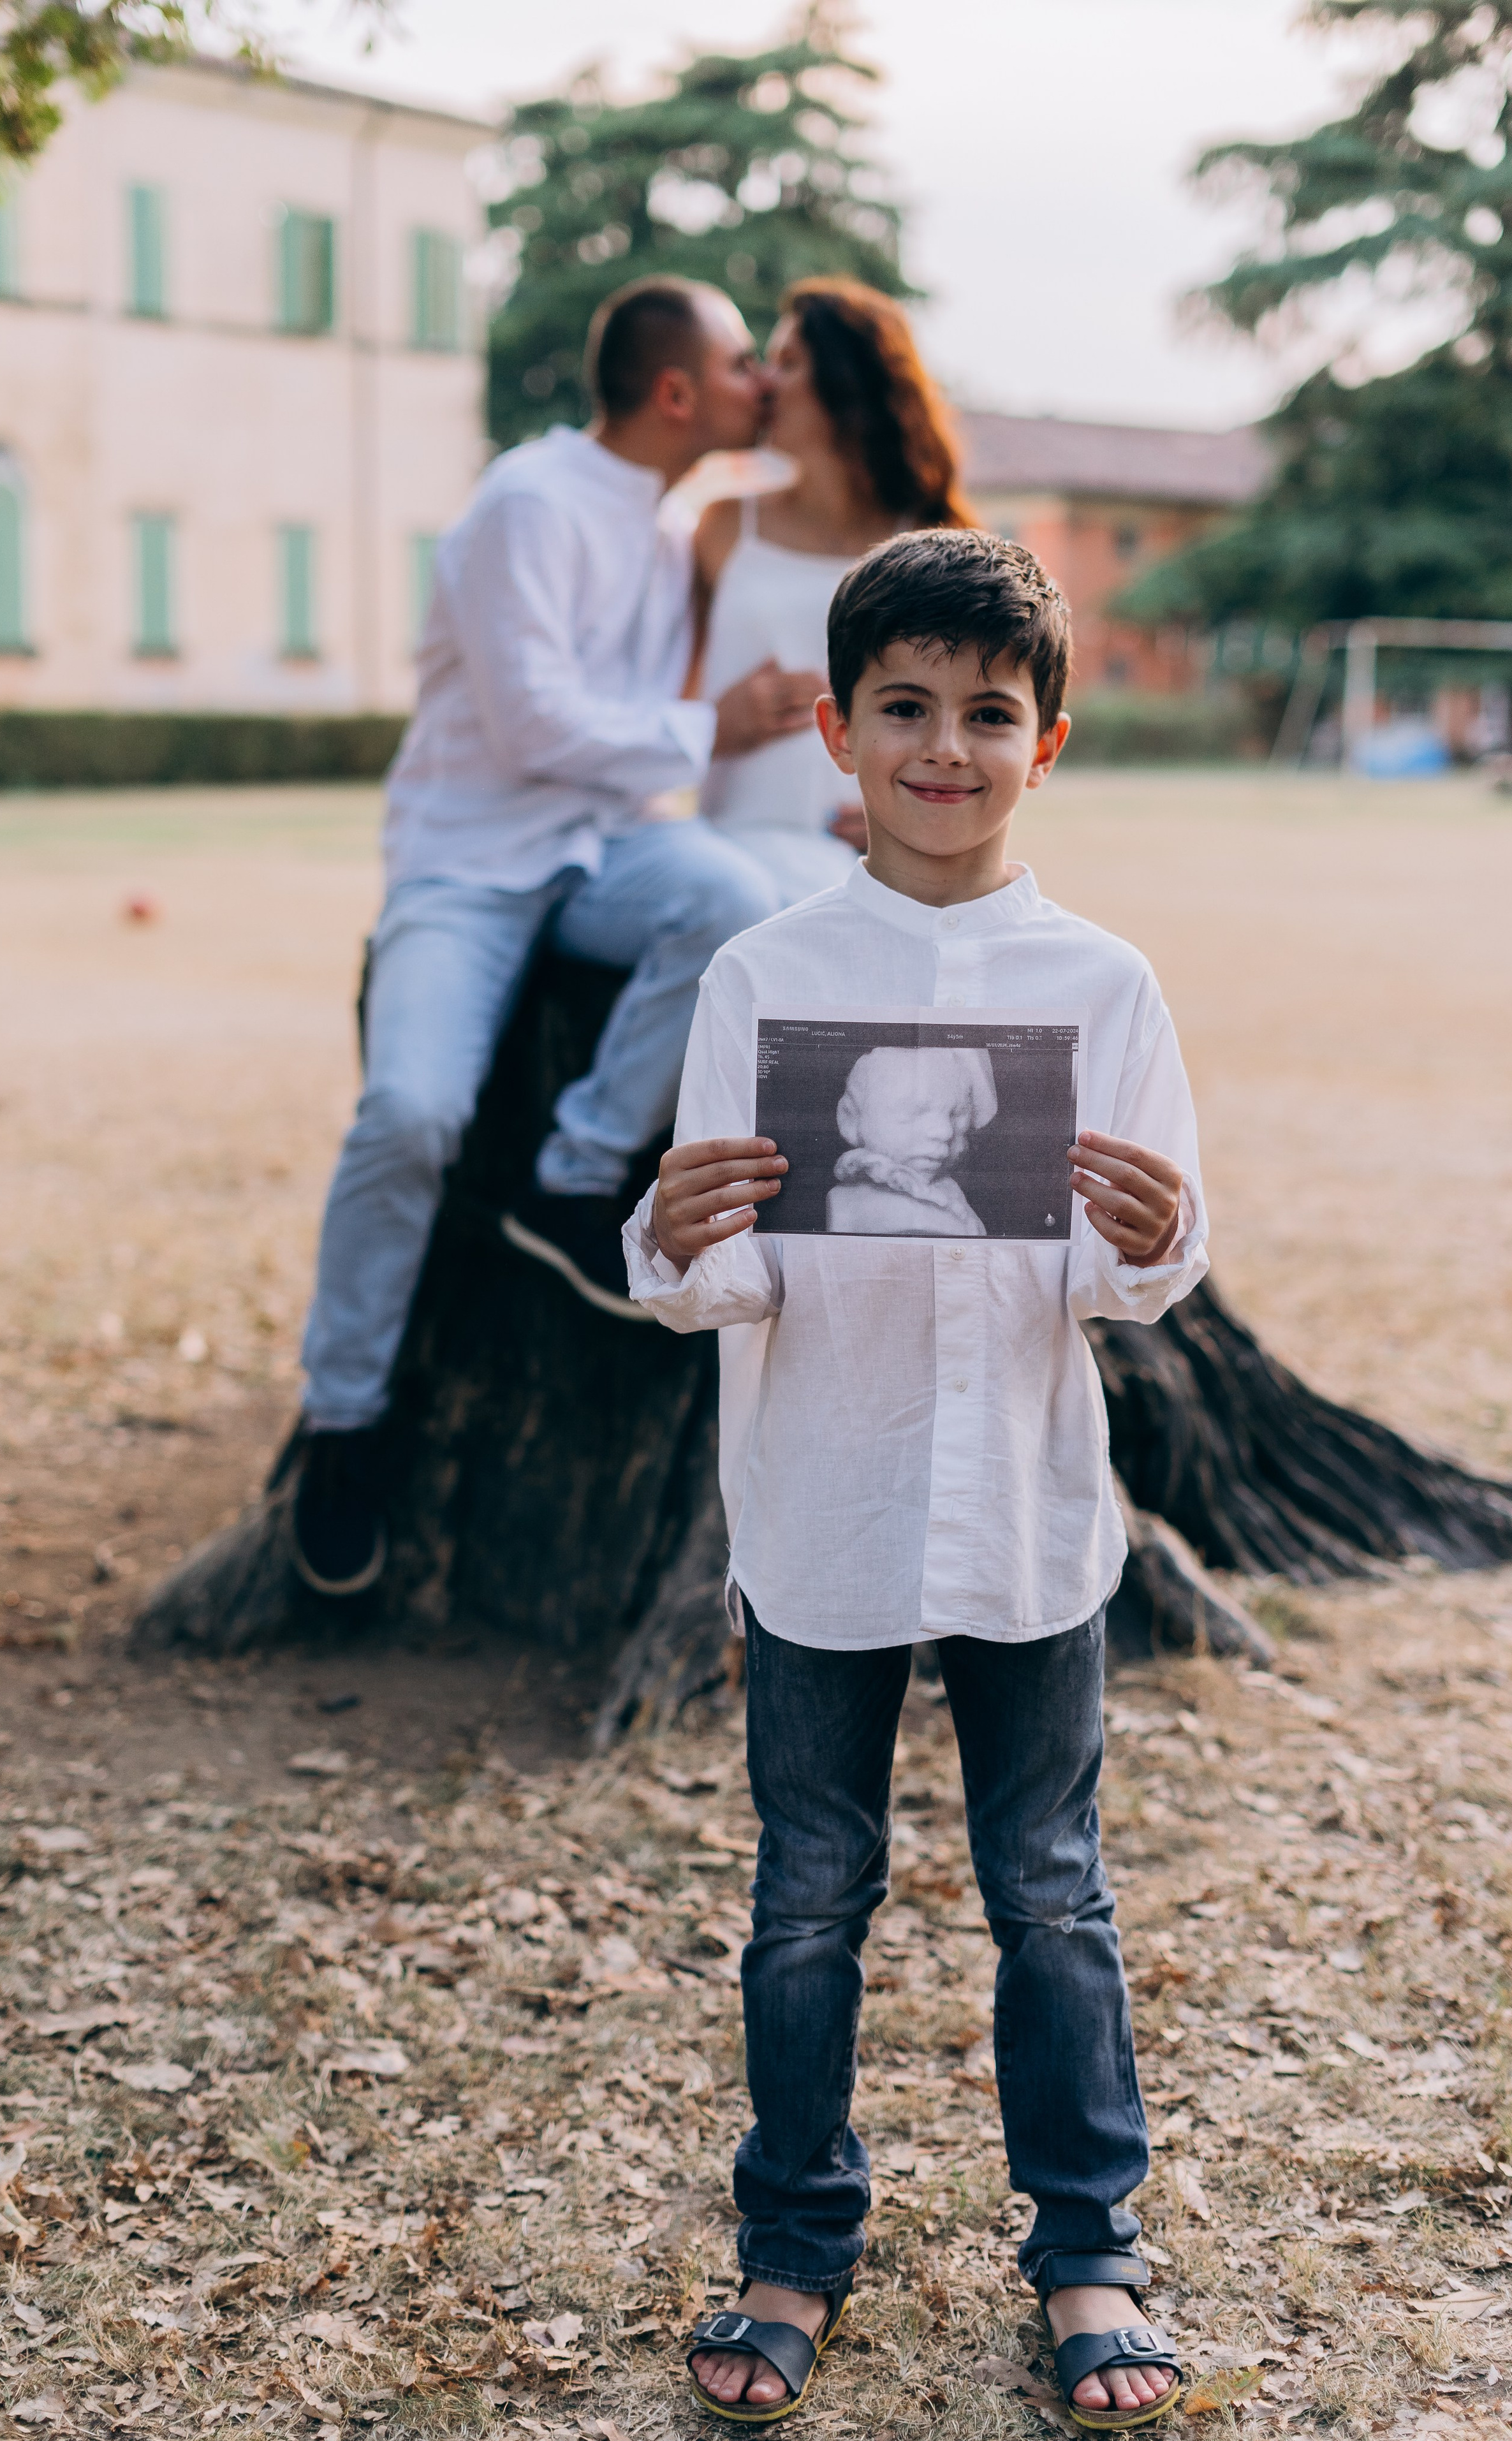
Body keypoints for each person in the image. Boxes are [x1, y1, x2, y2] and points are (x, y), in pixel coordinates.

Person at [625, 529, 1207, 2431]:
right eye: (904, 708)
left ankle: (1089, 2247)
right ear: (834, 730)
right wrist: (677, 1222)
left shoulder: (1104, 982)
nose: (943, 745)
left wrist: (1148, 1228)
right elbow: (707, 1273)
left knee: (1051, 1893)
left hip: (1030, 1509)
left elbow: (1141, 1269)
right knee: (808, 1895)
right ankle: (791, 2237)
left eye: (985, 711)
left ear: (1047, 740)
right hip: (826, 1500)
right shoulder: (763, 976)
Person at [290, 275, 825, 1599]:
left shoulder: (664, 522)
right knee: (410, 1114)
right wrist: (722, 728)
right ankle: (340, 1420)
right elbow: (534, 726)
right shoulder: (527, 505)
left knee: (732, 905)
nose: (764, 381)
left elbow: (629, 748)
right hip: (468, 865)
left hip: (603, 849)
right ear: (675, 392)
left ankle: (574, 1177)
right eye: (746, 361)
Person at [692, 277, 978, 906]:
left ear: (847, 382)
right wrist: (716, 723)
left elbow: (977, 711)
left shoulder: (936, 541)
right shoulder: (721, 526)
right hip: (729, 849)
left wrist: (922, 820)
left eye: (789, 363)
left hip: (872, 864)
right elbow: (661, 690)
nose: (765, 382)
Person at [825, 1043, 995, 1236]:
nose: (945, 1132)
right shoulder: (848, 1203)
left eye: (955, 1116)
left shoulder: (950, 1191)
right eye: (915, 1113)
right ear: (850, 1117)